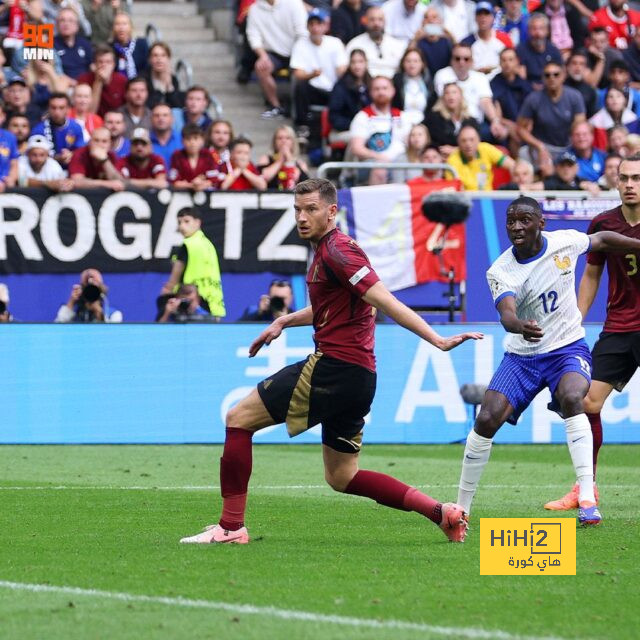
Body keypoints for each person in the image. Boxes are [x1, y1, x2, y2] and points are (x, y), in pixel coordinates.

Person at [180, 178, 483, 546]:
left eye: (311, 209)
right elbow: (332, 305)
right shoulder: (329, 252)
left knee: (238, 419)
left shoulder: (339, 251)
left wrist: (435, 338)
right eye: (297, 209)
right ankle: (442, 513)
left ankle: (230, 528)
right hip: (358, 378)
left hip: (335, 368)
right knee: (341, 476)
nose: (302, 217)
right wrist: (284, 320)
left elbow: (382, 299)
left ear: (332, 211)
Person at [455, 195, 640, 526]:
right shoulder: (501, 270)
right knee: (486, 418)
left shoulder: (564, 242)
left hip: (567, 348)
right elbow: (506, 312)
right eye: (511, 221)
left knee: (574, 397)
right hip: (521, 357)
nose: (516, 227)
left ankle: (586, 498)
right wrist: (519, 326)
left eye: (524, 220)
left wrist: (636, 244)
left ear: (541, 223)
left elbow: (602, 240)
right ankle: (461, 507)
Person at [544, 154, 640, 511]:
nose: (630, 184)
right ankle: (587, 487)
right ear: (616, 183)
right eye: (624, 178)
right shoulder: (603, 223)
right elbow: (591, 276)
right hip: (619, 327)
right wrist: (576, 320)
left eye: (637, 178)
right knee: (586, 402)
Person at [517, 60, 586, 176]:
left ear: (563, 76)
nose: (552, 78)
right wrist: (539, 146)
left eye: (556, 74)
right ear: (543, 78)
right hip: (543, 146)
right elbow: (520, 128)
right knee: (523, 153)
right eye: (547, 75)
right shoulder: (533, 99)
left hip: (568, 146)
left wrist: (572, 148)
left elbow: (580, 125)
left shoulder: (574, 96)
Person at [246, 0, 308, 118]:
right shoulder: (254, 9)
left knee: (301, 72)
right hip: (273, 53)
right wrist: (263, 56)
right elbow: (253, 36)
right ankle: (275, 106)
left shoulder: (294, 3)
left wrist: (298, 56)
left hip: (298, 51)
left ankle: (300, 110)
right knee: (262, 67)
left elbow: (302, 33)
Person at [433, 43, 507, 142]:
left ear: (472, 61)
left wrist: (495, 121)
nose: (461, 62)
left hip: (476, 123)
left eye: (466, 59)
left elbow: (486, 102)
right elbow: (446, 103)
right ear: (451, 60)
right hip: (451, 123)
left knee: (499, 133)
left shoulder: (480, 78)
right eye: (457, 58)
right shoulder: (442, 75)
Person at [161, 207, 226, 319]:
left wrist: (166, 292)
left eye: (186, 221)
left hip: (193, 304)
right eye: (179, 222)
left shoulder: (188, 245)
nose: (181, 226)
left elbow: (174, 277)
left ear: (197, 222)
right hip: (215, 305)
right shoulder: (208, 245)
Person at [290, 9, 347, 134]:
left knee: (346, 85)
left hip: (334, 90)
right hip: (314, 89)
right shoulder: (300, 44)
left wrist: (340, 72)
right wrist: (312, 75)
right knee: (300, 86)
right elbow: (298, 73)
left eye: (319, 24)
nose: (315, 28)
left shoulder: (335, 43)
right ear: (307, 26)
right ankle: (302, 125)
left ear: (325, 26)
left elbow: (342, 68)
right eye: (312, 24)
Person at [348, 75, 412, 185]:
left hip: (400, 161)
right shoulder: (363, 116)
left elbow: (410, 144)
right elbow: (357, 148)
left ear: (393, 91)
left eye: (385, 88)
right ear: (371, 92)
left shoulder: (402, 116)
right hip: (372, 163)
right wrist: (381, 158)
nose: (381, 92)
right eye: (377, 89)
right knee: (380, 168)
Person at [446, 124, 515, 191]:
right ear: (458, 143)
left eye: (472, 140)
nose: (468, 144)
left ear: (478, 140)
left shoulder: (486, 149)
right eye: (464, 141)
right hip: (467, 199)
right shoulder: (452, 160)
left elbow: (513, 165)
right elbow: (455, 189)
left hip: (488, 198)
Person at [346, 6, 405, 79]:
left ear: (385, 22)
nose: (376, 24)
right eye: (372, 20)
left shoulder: (397, 45)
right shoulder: (354, 44)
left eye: (380, 20)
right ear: (365, 21)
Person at [327, 49, 371, 145]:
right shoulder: (340, 86)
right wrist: (356, 125)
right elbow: (334, 118)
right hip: (343, 131)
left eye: (360, 61)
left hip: (369, 129)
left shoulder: (372, 84)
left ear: (366, 63)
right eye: (353, 62)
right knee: (360, 139)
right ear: (349, 65)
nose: (357, 66)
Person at [424, 82, 479, 157]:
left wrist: (456, 150)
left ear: (461, 96)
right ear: (443, 98)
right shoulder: (434, 118)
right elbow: (434, 142)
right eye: (447, 93)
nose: (451, 96)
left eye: (454, 92)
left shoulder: (471, 121)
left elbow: (477, 144)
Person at [31, 92, 84, 169]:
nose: (57, 112)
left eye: (61, 108)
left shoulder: (76, 127)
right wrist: (57, 158)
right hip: (47, 171)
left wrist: (71, 154)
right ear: (48, 108)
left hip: (72, 168)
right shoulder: (39, 130)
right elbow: (34, 157)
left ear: (68, 109)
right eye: (53, 107)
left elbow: (81, 151)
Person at [461, 2, 513, 79]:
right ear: (475, 18)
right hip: (475, 80)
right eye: (480, 14)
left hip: (501, 81)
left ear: (493, 17)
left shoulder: (504, 39)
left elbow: (513, 62)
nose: (483, 18)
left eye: (486, 14)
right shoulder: (466, 42)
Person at [55, 268, 123, 322]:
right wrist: (71, 302)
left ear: (102, 291)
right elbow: (57, 328)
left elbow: (112, 336)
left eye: (95, 290)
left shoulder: (114, 314)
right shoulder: (74, 313)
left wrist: (99, 313)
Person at [515, 13, 563, 89]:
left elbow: (560, 74)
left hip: (550, 88)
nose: (538, 33)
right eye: (534, 28)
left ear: (547, 31)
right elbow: (521, 77)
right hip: (528, 90)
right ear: (528, 31)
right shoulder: (521, 50)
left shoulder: (554, 50)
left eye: (541, 28)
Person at [77, 45, 127, 118]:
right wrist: (98, 81)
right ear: (94, 64)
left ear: (113, 65)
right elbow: (90, 112)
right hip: (91, 121)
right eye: (100, 62)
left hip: (114, 121)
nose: (104, 65)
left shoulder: (122, 80)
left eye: (108, 62)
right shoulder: (84, 79)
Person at [68, 126, 124, 190]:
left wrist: (104, 161)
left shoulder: (111, 155)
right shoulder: (80, 154)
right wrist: (108, 184)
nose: (100, 144)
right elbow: (76, 181)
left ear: (110, 144)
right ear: (89, 142)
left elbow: (119, 182)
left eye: (104, 141)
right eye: (96, 140)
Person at [169, 124, 219, 191]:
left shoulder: (208, 155)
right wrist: (193, 185)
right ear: (182, 141)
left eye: (195, 138)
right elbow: (174, 181)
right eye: (188, 139)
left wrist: (201, 184)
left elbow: (213, 180)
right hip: (182, 197)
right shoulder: (177, 156)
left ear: (202, 140)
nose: (192, 142)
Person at [258, 125, 309, 191]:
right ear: (274, 142)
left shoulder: (300, 163)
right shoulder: (266, 159)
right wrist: (280, 161)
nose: (283, 141)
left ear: (293, 142)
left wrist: (290, 160)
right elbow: (263, 178)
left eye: (287, 138)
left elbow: (305, 184)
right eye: (280, 138)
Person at [589, 86, 640, 151]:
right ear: (606, 101)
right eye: (610, 97)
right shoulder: (596, 122)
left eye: (618, 96)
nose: (614, 100)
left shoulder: (634, 121)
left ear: (625, 100)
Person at [391, 47, 432, 126]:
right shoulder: (397, 81)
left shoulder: (429, 82)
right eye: (408, 61)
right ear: (403, 63)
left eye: (416, 61)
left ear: (422, 63)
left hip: (424, 125)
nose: (412, 65)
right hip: (400, 123)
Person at [412, 6, 453, 78]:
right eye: (426, 17)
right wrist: (415, 39)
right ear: (422, 22)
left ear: (440, 21)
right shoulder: (419, 42)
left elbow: (459, 56)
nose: (430, 20)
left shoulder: (447, 41)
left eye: (434, 17)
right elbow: (408, 59)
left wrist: (450, 36)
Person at [54, 6, 92, 79]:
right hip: (61, 85)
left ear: (77, 25)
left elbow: (91, 67)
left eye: (70, 20)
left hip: (85, 85)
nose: (66, 24)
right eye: (62, 20)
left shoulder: (85, 44)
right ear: (57, 24)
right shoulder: (51, 44)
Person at [144, 41, 184, 109]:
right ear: (150, 59)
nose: (159, 59)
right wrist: (161, 90)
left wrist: (169, 87)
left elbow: (177, 107)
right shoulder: (143, 79)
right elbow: (146, 107)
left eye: (163, 55)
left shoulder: (173, 79)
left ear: (168, 59)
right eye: (155, 55)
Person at [111, 11, 149, 79]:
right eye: (117, 24)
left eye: (124, 24)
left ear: (131, 27)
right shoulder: (109, 48)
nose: (121, 28)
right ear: (113, 28)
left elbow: (147, 68)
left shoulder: (141, 44)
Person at [150, 103, 182, 168]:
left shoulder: (183, 139)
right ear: (151, 119)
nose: (161, 118)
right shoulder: (144, 141)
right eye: (156, 115)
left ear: (172, 119)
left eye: (165, 115)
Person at [0, 104, 19, 191]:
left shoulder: (10, 137)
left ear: (3, 117)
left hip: (5, 185)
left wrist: (11, 178)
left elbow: (14, 162)